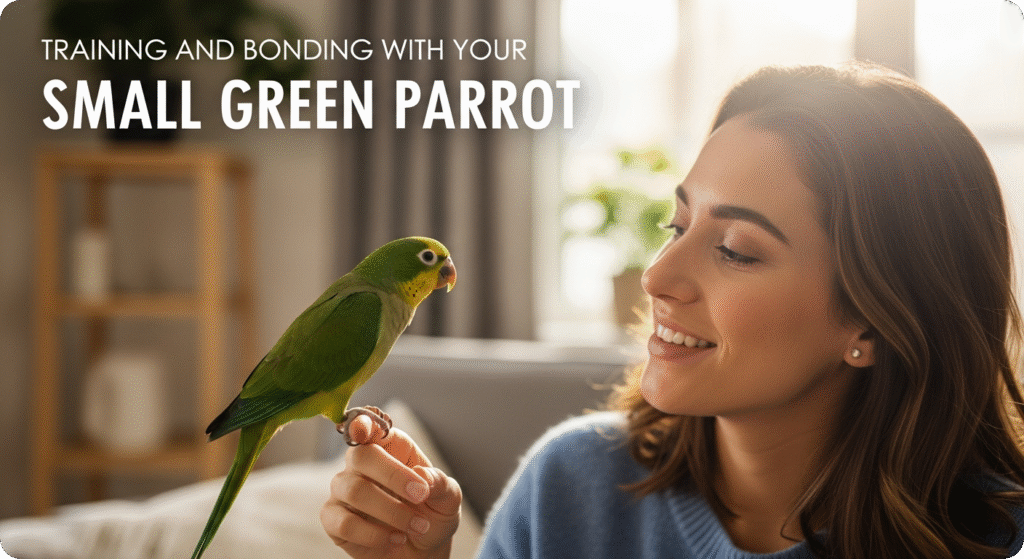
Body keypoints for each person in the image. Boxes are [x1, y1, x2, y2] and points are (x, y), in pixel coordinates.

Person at [319, 62, 1024, 559]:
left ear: (872, 319)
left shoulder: (999, 535)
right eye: (677, 226)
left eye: (738, 249)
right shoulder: (569, 489)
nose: (658, 277)